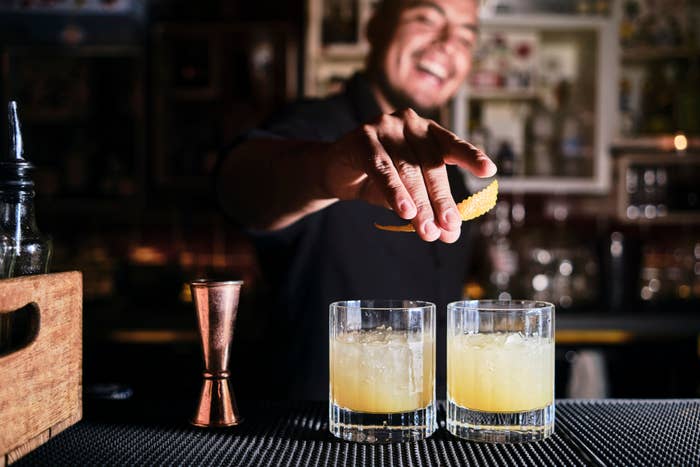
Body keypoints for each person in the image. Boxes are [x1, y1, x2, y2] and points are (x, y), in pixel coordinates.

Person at [216, 0, 496, 400]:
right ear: (375, 27)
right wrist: (327, 171)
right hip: (313, 432)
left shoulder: (442, 158)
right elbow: (239, 187)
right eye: (426, 19)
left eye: (466, 35)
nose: (448, 44)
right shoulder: (315, 126)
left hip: (423, 431)